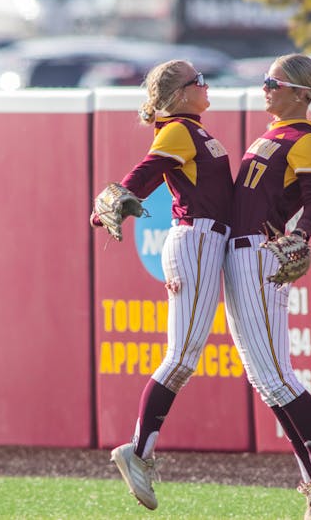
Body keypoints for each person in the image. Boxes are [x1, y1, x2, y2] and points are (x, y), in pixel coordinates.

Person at [222, 53, 311, 520]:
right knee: (267, 380)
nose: (265, 88)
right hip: (239, 253)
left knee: (277, 378)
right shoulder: (273, 133)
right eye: (265, 80)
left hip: (261, 254)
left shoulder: (305, 139)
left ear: (301, 94)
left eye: (273, 82)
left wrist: (301, 234)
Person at [91, 59, 233, 510]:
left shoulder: (194, 129)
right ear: (179, 94)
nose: (205, 85)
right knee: (181, 357)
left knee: (184, 357)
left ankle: (139, 450)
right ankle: (137, 451)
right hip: (195, 241)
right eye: (198, 81)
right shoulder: (177, 129)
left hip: (206, 241)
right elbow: (147, 171)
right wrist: (117, 197)